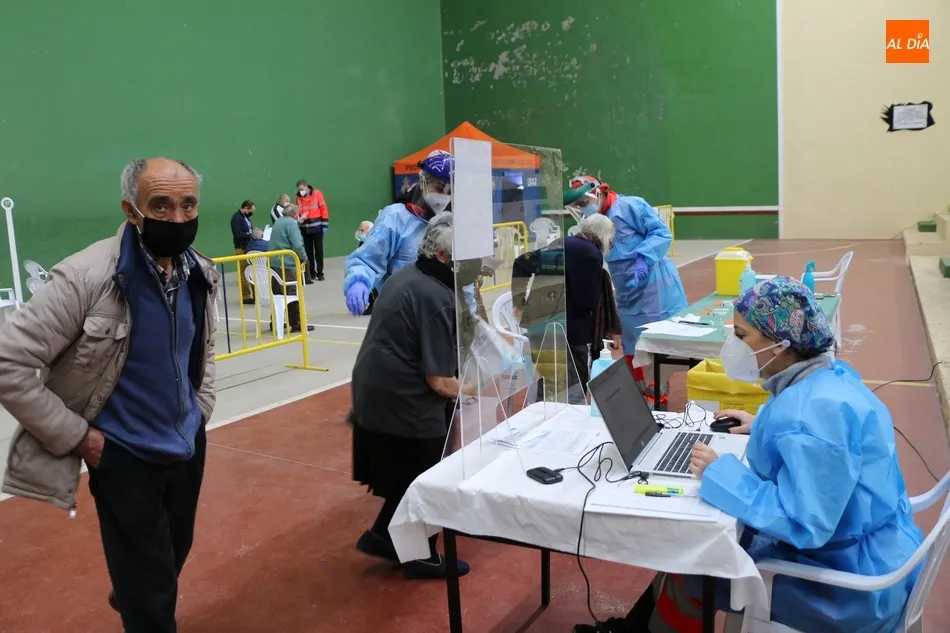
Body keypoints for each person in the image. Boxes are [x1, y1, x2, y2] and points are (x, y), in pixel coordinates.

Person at [573, 277, 923, 633]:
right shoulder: (827, 380)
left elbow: (805, 523)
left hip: (842, 585)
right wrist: (762, 426)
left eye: (741, 335)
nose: (732, 345)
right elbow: (823, 453)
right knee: (689, 550)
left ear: (779, 344)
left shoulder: (810, 419)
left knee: (693, 560)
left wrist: (720, 473)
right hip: (871, 549)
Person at [0, 157, 218, 633]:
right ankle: (141, 599)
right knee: (153, 593)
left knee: (174, 552)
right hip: (123, 455)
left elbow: (203, 347)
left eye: (188, 205)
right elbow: (6, 361)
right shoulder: (87, 277)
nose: (177, 218)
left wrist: (201, 409)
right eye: (160, 205)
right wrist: (80, 438)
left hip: (186, 444)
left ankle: (134, 588)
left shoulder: (199, 272)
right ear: (131, 210)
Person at [350, 212, 473, 580]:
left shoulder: (407, 275)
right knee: (428, 473)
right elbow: (440, 381)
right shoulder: (437, 296)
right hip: (402, 399)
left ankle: (384, 537)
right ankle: (419, 556)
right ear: (443, 253)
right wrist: (474, 386)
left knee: (410, 476)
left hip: (376, 390)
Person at [565, 176, 687, 407]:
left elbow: (661, 233)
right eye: (578, 205)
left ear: (598, 193)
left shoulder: (630, 206)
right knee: (632, 346)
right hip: (625, 288)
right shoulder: (596, 221)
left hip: (652, 284)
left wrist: (642, 257)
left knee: (653, 344)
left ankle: (658, 401)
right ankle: (640, 401)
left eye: (584, 202)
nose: (583, 208)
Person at [343, 150, 454, 317]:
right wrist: (358, 281)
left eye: (449, 191)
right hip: (399, 314)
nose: (443, 196)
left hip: (441, 315)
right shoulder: (395, 218)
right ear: (423, 180)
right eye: (439, 187)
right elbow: (368, 259)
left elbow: (461, 277)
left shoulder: (450, 223)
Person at [564, 214, 621, 392]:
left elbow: (521, 263)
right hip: (573, 330)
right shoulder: (591, 253)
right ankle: (574, 405)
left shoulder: (562, 242)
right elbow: (587, 302)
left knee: (550, 382)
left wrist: (519, 302)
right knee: (576, 382)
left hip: (546, 325)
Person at [267, 203, 313, 333]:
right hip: (287, 263)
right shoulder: (292, 224)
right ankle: (296, 322)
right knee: (292, 293)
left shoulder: (278, 222)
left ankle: (275, 322)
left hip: (274, 262)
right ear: (294, 214)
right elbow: (297, 245)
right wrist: (304, 257)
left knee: (278, 294)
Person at [296, 179, 329, 283]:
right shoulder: (298, 197)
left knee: (319, 251)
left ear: (306, 187)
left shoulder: (317, 194)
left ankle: (320, 273)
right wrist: (299, 220)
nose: (301, 191)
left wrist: (324, 223)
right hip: (305, 228)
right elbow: (298, 211)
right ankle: (311, 273)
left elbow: (323, 208)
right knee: (308, 251)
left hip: (317, 227)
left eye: (302, 189)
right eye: (299, 190)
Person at [230, 199, 256, 304]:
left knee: (250, 272)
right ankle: (246, 296)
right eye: (251, 211)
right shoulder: (236, 218)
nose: (251, 213)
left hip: (248, 247)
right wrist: (250, 235)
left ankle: (254, 294)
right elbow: (238, 234)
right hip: (241, 248)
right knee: (244, 273)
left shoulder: (245, 218)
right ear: (246, 208)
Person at [354, 221, 379, 316]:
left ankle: (377, 304)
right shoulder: (362, 242)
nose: (360, 232)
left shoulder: (377, 240)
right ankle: (371, 303)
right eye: (359, 230)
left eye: (362, 230)